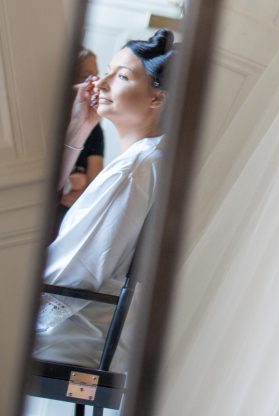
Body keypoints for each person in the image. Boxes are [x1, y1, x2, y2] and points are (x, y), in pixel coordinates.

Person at [33, 29, 177, 369]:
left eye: (122, 75)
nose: (102, 82)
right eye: (108, 70)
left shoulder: (135, 168)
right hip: (93, 326)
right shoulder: (152, 157)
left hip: (73, 335)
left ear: (158, 98)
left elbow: (74, 271)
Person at [53, 48, 104, 236]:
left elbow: (92, 186)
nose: (94, 83)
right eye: (86, 76)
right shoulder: (48, 120)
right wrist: (69, 184)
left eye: (96, 76)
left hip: (69, 217)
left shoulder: (95, 129)